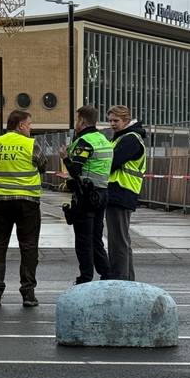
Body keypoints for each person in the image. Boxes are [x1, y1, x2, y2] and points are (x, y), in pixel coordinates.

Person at [0, 109, 47, 307]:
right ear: (21, 125)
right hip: (27, 202)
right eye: (29, 125)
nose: (30, 129)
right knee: (28, 246)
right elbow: (43, 165)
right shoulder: (31, 144)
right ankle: (28, 293)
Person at [63, 105, 113, 284]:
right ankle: (106, 274)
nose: (76, 123)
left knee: (83, 240)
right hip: (102, 193)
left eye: (77, 120)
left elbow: (75, 170)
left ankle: (85, 278)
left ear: (82, 121)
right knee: (96, 238)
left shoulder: (85, 142)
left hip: (86, 196)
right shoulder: (103, 139)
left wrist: (65, 158)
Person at [106, 105, 146, 281]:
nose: (112, 124)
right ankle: (126, 279)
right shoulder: (120, 138)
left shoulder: (130, 139)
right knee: (121, 240)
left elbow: (110, 163)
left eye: (116, 121)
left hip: (121, 192)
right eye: (110, 120)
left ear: (126, 121)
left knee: (118, 242)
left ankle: (120, 280)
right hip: (119, 193)